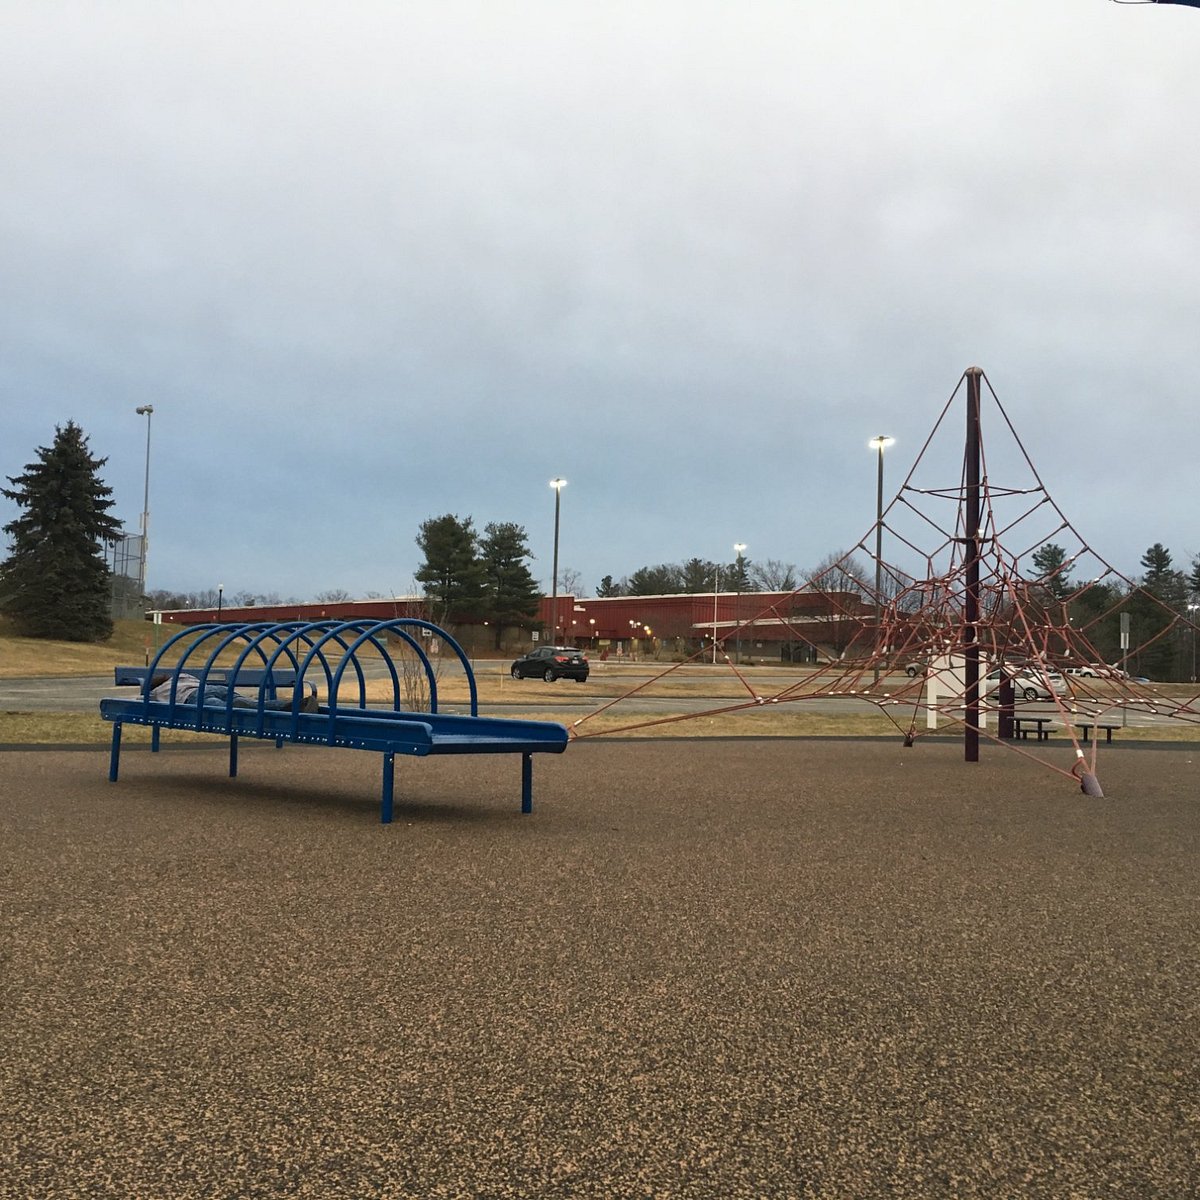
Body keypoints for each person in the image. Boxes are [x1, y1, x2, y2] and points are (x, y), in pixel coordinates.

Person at [148, 672, 319, 712]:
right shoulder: (182, 676)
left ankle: (292, 707)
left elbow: (147, 701)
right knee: (251, 704)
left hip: (194, 697)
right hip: (210, 688)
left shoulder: (157, 692)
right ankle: (297, 704)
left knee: (230, 712)